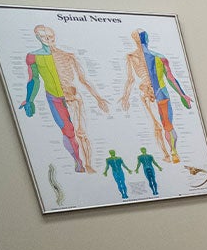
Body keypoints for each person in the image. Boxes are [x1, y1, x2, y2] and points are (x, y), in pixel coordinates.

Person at [17, 24, 111, 173]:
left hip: (73, 97)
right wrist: (29, 99)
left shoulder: (68, 56)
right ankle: (78, 161)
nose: (49, 39)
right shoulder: (33, 56)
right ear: (38, 38)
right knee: (68, 133)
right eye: (45, 37)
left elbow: (83, 79)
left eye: (51, 36)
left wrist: (98, 98)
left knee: (81, 132)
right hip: (54, 99)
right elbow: (34, 79)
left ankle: (88, 164)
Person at [119, 28, 194, 164]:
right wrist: (182, 95)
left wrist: (126, 96)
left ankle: (171, 152)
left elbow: (131, 79)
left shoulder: (141, 57)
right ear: (147, 39)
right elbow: (170, 78)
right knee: (165, 125)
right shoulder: (154, 57)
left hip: (154, 95)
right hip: (156, 93)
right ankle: (172, 153)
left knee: (164, 125)